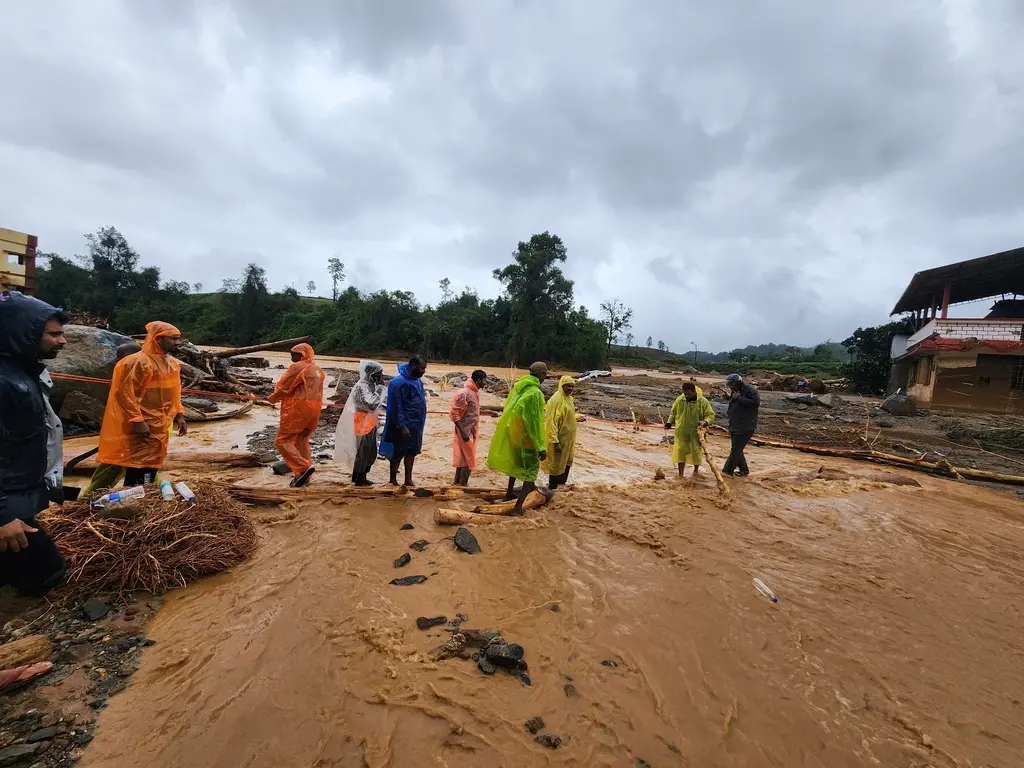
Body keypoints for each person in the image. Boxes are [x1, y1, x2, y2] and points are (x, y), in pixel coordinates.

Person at [0, 295, 68, 598]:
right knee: (47, 571)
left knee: (32, 572)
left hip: (17, 499)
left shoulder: (25, 373)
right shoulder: (5, 382)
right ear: (22, 335)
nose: (63, 341)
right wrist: (2, 516)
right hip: (6, 506)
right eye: (53, 334)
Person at [97, 322, 187, 488]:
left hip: (160, 425)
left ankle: (145, 497)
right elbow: (124, 393)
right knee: (133, 464)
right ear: (158, 339)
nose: (177, 342)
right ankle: (96, 499)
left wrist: (180, 415)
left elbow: (175, 392)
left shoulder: (172, 364)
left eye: (178, 339)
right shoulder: (138, 362)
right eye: (173, 338)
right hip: (138, 426)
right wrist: (138, 420)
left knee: (151, 465)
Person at [487, 361, 549, 515]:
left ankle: (509, 494)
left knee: (515, 467)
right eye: (545, 375)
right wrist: (540, 446)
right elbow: (534, 423)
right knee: (530, 472)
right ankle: (517, 507)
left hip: (516, 437)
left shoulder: (520, 388)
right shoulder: (535, 394)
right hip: (528, 440)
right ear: (542, 375)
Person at [84, 342, 144, 493]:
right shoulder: (122, 373)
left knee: (139, 465)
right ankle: (87, 497)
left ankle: (88, 497)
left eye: (121, 357)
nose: (118, 360)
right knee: (117, 464)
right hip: (122, 432)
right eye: (117, 357)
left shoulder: (142, 374)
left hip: (135, 430)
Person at [268, 343, 325, 488]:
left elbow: (283, 387)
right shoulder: (317, 369)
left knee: (282, 440)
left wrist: (271, 398)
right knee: (302, 438)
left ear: (302, 355)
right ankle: (304, 476)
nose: (291, 356)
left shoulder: (298, 367)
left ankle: (303, 467)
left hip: (298, 409)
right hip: (315, 410)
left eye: (294, 353)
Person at [334, 360, 385, 486]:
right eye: (379, 373)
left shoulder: (369, 385)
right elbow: (371, 405)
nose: (381, 376)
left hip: (370, 421)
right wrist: (381, 388)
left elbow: (376, 404)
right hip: (363, 421)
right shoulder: (362, 386)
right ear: (372, 373)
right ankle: (359, 478)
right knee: (364, 451)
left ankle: (360, 476)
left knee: (370, 451)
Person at [380, 356, 427, 487]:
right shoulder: (398, 382)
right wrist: (402, 426)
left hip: (416, 424)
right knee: (397, 452)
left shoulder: (418, 382)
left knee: (412, 452)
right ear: (413, 366)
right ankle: (393, 480)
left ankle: (408, 480)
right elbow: (396, 406)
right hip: (401, 425)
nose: (424, 371)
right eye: (422, 368)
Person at [665, 381, 715, 479]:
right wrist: (669, 422)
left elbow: (710, 415)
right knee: (680, 452)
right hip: (682, 431)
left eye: (688, 393)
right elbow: (673, 412)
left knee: (696, 452)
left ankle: (695, 472)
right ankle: (680, 475)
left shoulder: (703, 401)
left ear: (694, 391)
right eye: (685, 393)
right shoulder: (680, 400)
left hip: (697, 432)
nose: (686, 396)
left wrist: (705, 422)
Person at [541, 375, 580, 490]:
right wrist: (554, 441)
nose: (570, 389)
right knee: (556, 463)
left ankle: (561, 486)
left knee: (567, 460)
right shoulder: (555, 400)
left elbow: (568, 416)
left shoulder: (570, 399)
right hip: (559, 438)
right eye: (568, 386)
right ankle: (552, 488)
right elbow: (551, 422)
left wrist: (576, 417)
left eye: (572, 386)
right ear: (561, 385)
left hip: (569, 438)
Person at [449, 370, 486, 486]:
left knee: (463, 459)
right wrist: (463, 431)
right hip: (464, 432)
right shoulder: (465, 393)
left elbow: (473, 411)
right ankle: (463, 485)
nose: (486, 383)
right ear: (478, 380)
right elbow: (454, 413)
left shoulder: (475, 393)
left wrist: (489, 412)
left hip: (470, 431)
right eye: (484, 380)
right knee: (469, 460)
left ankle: (457, 484)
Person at [723, 373, 760, 477]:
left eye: (731, 384)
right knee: (737, 449)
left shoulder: (750, 390)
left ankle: (727, 470)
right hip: (735, 424)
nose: (730, 387)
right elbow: (735, 401)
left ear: (738, 383)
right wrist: (729, 397)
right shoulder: (735, 391)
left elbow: (755, 403)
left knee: (736, 450)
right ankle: (744, 470)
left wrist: (739, 398)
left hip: (746, 425)